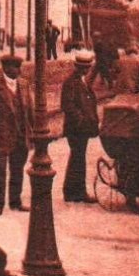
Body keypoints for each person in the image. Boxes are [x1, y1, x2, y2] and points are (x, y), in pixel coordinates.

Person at [0, 53, 32, 216]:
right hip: (1, 137)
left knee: (17, 169)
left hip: (20, 135)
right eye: (13, 67)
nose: (17, 70)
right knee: (0, 171)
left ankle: (15, 201)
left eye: (18, 67)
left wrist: (32, 133)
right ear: (5, 68)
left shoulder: (24, 86)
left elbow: (29, 111)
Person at [60, 50, 99, 202]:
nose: (86, 70)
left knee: (78, 158)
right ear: (78, 67)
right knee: (78, 158)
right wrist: (81, 120)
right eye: (84, 67)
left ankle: (72, 192)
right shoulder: (71, 82)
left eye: (87, 67)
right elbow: (67, 105)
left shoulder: (82, 81)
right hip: (75, 128)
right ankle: (76, 192)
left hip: (81, 127)